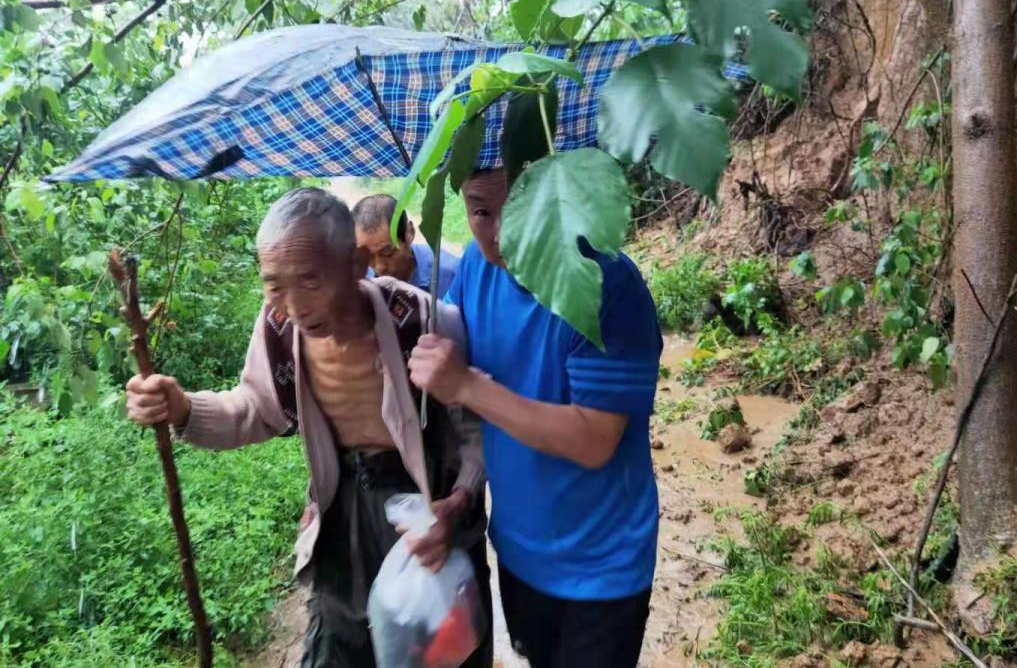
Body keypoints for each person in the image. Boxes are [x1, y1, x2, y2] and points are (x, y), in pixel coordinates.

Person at [125, 188, 492, 668]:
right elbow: (256, 408)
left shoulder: (422, 321)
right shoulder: (277, 328)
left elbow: (476, 434)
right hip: (343, 508)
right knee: (340, 643)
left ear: (355, 265)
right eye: (273, 284)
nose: (293, 305)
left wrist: (458, 504)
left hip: (426, 509)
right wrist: (183, 408)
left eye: (310, 281)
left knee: (438, 646)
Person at [407, 168, 662, 668]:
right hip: (520, 551)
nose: (501, 233)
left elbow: (594, 440)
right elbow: (469, 393)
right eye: (481, 210)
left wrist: (465, 385)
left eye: (522, 206)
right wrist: (458, 499)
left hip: (602, 565)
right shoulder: (478, 271)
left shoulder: (607, 284)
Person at [353, 193, 460, 299]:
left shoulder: (452, 275)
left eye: (387, 252)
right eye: (368, 257)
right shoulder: (358, 277)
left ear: (410, 232)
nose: (380, 268)